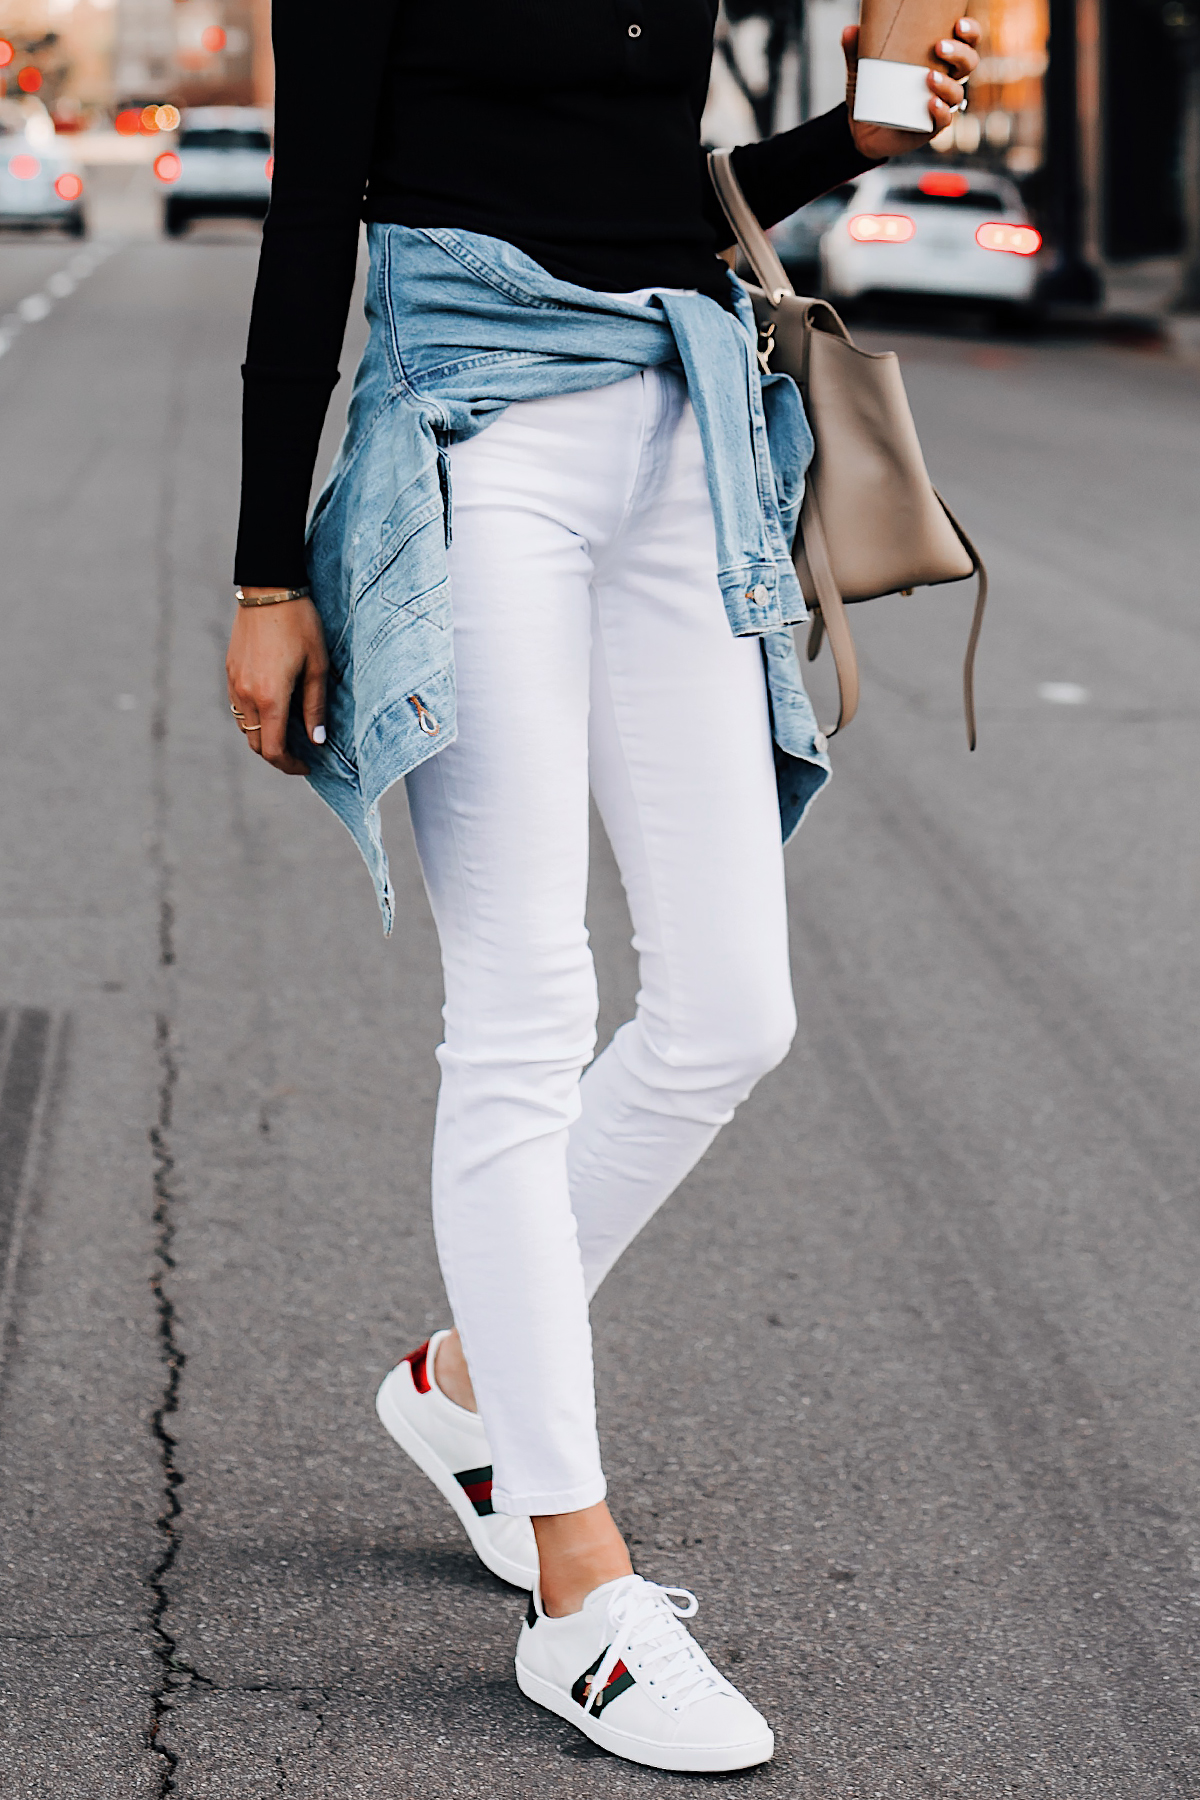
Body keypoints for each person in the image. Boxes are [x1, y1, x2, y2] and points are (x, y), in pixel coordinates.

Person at [226, 2, 979, 1771]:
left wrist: (847, 151)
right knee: (525, 1008)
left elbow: (650, 184)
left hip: (679, 425)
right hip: (481, 440)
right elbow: (310, 218)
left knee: (730, 1010)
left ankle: (470, 1384)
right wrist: (270, 572)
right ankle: (579, 1589)